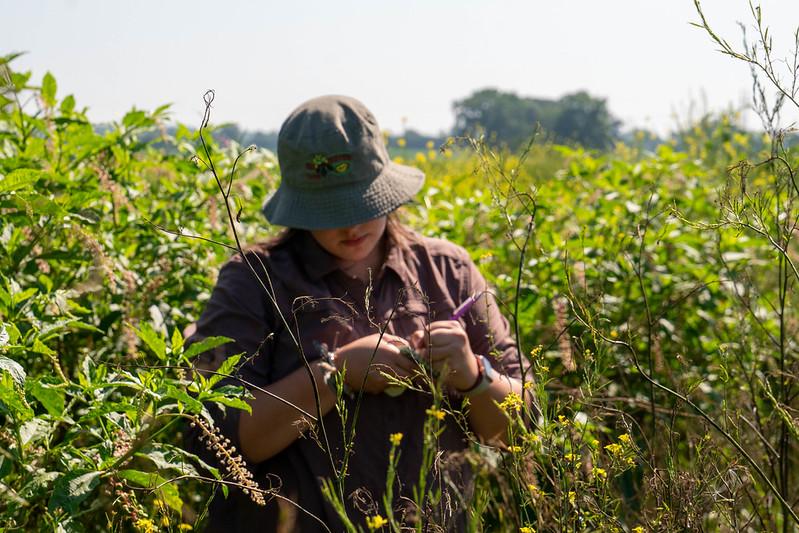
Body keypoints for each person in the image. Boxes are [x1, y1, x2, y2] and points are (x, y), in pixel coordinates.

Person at [187, 95, 529, 532]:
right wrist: (335, 374)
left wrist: (473, 375)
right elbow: (220, 443)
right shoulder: (254, 281)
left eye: (365, 204)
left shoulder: (448, 270)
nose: (352, 227)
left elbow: (518, 436)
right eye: (331, 213)